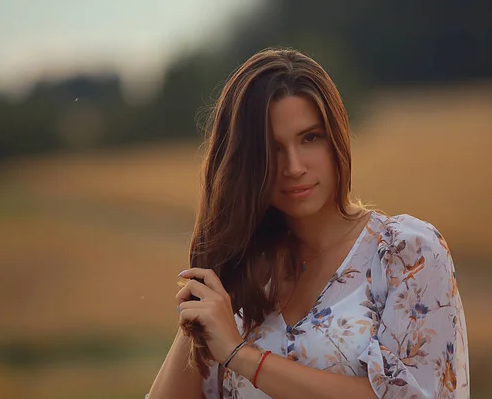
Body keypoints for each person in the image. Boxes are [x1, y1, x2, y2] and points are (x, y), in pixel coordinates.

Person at [146, 48, 469, 399]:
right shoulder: (243, 280)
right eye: (271, 148)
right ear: (245, 162)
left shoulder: (406, 253)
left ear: (337, 139)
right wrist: (203, 311)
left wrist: (241, 355)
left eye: (309, 138)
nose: (293, 166)